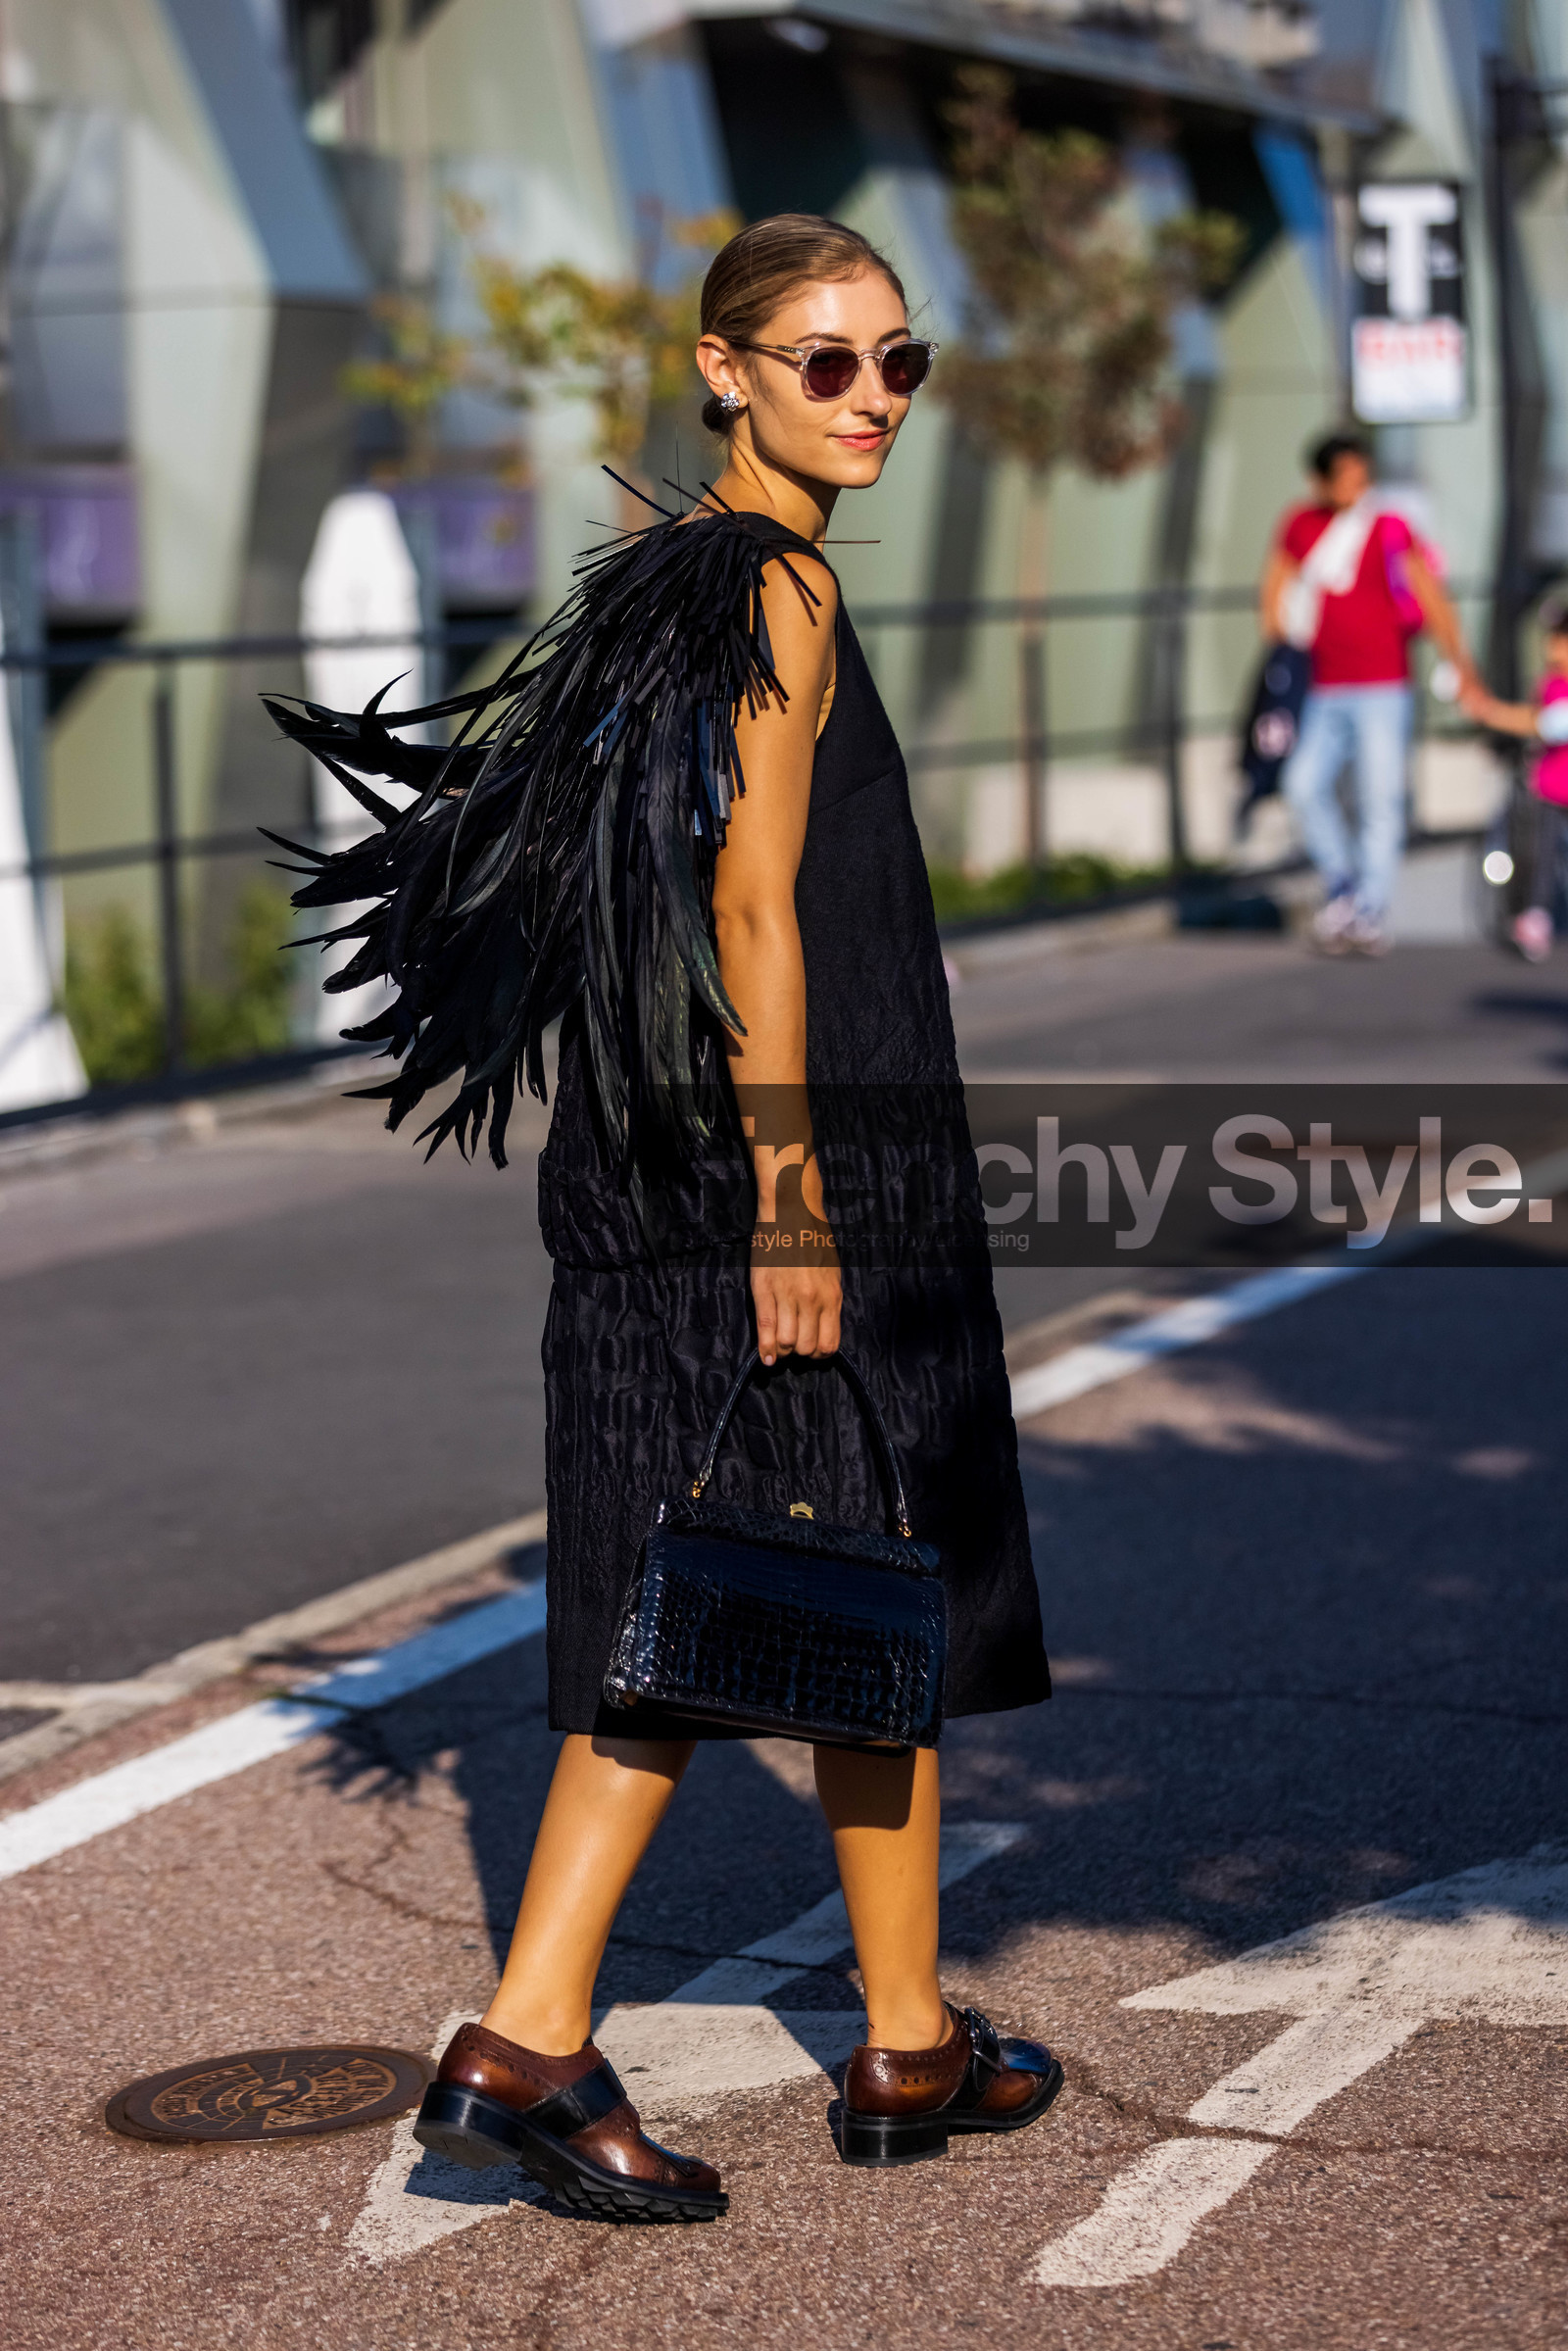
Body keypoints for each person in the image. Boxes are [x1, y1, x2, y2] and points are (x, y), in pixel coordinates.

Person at [270, 215, 1055, 2221]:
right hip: (767, 1168)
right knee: (692, 1595)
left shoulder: (672, 580)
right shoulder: (771, 581)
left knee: (843, 1565)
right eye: (822, 361)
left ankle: (900, 2034)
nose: (869, 396)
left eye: (900, 362)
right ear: (720, 370)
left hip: (690, 1154)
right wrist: (795, 1200)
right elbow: (746, 905)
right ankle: (524, 2041)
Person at [1259, 428, 1478, 955]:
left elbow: (1431, 596)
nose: (1356, 487)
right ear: (1320, 480)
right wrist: (1280, 661)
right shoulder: (1301, 525)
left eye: (1363, 476)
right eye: (1345, 478)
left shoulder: (1390, 526)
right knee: (1302, 784)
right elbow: (1273, 593)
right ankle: (1344, 886)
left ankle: (1371, 910)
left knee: (1380, 799)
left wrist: (1462, 666)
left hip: (1384, 685)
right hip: (1323, 685)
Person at [1460, 599, 1568, 961]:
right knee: (1538, 856)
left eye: (1557, 639)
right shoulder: (1551, 684)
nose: (1549, 647)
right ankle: (1534, 918)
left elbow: (1544, 724)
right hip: (1551, 791)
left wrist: (1490, 712)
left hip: (1555, 788)